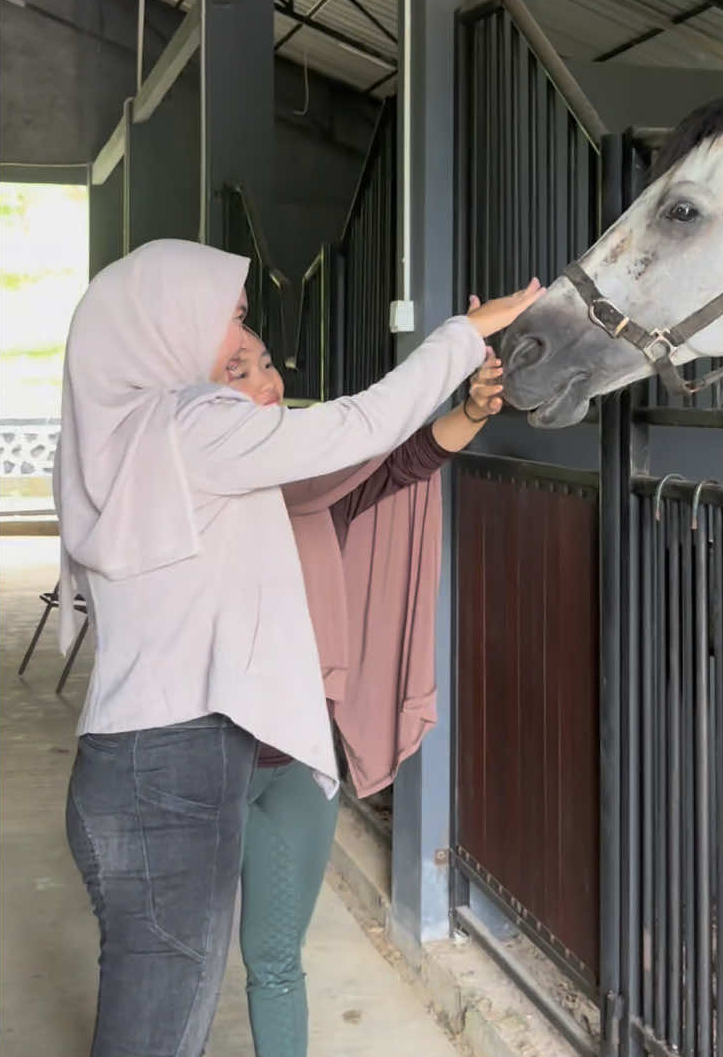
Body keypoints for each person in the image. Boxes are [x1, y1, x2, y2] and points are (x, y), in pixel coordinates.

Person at [55, 238, 542, 1057]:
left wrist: (455, 409)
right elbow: (361, 427)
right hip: (177, 763)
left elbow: (367, 465)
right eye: (231, 326)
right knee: (161, 1029)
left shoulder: (126, 441)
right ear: (166, 329)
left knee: (162, 1019)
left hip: (132, 763)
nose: (251, 352)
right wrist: (461, 334)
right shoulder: (193, 426)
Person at [221, 327, 503, 1056]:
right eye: (238, 370)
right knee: (176, 963)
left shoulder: (312, 483)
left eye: (269, 361)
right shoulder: (193, 486)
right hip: (201, 758)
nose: (269, 380)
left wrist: (469, 409)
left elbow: (394, 464)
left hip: (294, 761)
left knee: (276, 960)